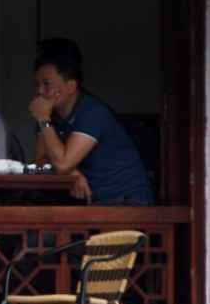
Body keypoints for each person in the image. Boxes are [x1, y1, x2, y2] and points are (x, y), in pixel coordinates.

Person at [30, 38, 154, 205]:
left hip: (127, 201)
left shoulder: (92, 112)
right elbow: (40, 160)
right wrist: (72, 172)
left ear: (70, 86)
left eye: (47, 84)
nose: (40, 91)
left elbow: (62, 164)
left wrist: (43, 119)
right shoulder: (50, 114)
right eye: (37, 84)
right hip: (97, 201)